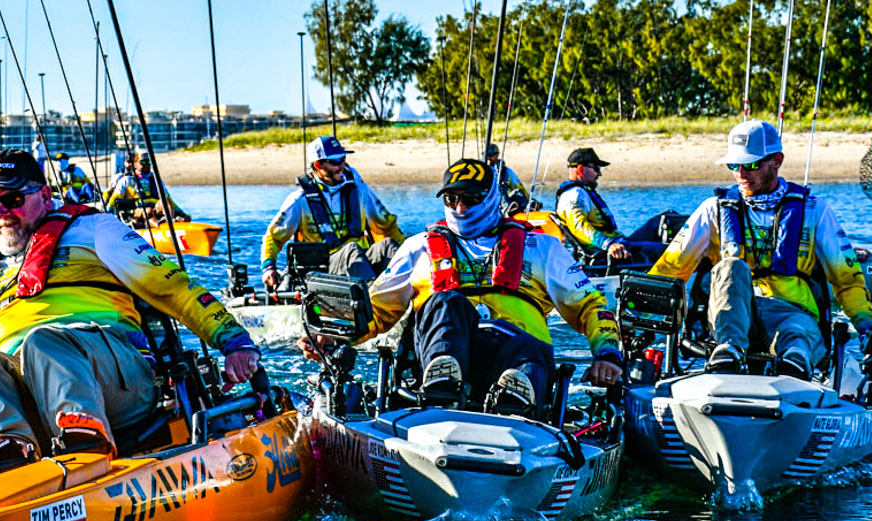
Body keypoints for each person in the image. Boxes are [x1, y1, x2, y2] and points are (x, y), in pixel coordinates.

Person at [0, 149, 261, 476]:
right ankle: (9, 454)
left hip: (117, 379)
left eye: (12, 199)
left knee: (42, 342)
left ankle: (86, 440)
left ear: (44, 195)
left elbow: (173, 287)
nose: (1, 213)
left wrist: (235, 342)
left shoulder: (95, 230)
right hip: (32, 402)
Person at [299, 158, 622, 414]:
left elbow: (591, 306)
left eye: (470, 199)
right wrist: (330, 335)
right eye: (452, 199)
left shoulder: (543, 247)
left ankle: (516, 395)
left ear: (492, 197)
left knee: (526, 347)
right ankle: (443, 378)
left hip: (518, 350)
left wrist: (607, 354)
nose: (460, 208)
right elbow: (378, 309)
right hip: (436, 355)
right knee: (444, 301)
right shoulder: (418, 247)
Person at [649, 119, 872, 379]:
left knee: (796, 340)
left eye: (751, 165)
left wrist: (867, 328)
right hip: (733, 319)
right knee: (730, 265)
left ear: (777, 161)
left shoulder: (816, 211)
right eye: (734, 165)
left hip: (793, 315)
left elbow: (848, 281)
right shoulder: (713, 209)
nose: (741, 174)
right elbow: (669, 270)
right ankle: (728, 353)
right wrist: (640, 319)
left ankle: (795, 365)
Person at [261, 135, 405, 289]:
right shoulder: (299, 201)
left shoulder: (360, 191)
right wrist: (268, 267)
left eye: (343, 159)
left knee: (388, 246)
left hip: (360, 260)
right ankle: (373, 302)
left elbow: (387, 225)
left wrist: (410, 249)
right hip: (321, 270)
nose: (341, 166)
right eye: (335, 162)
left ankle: (414, 297)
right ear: (318, 165)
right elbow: (273, 237)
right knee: (351, 251)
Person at [554, 147, 667, 266]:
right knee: (670, 251)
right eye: (596, 169)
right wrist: (608, 245)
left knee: (665, 219)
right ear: (581, 170)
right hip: (611, 252)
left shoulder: (579, 192)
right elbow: (578, 226)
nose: (599, 174)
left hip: (621, 243)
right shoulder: (575, 194)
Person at [104, 153, 189, 226]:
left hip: (154, 209)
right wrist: (107, 213)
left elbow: (169, 200)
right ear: (135, 165)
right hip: (136, 211)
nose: (146, 165)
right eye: (143, 162)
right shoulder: (127, 180)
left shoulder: (157, 180)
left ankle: (171, 222)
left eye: (148, 162)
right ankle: (157, 225)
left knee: (165, 201)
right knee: (148, 210)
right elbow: (114, 199)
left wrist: (182, 213)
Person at [485, 143, 529, 215]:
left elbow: (518, 186)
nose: (489, 158)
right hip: (487, 201)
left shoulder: (506, 172)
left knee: (517, 192)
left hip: (502, 200)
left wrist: (528, 199)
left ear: (497, 155)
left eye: (491, 155)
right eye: (486, 155)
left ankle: (527, 207)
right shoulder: (481, 171)